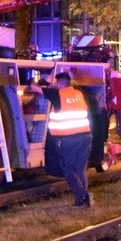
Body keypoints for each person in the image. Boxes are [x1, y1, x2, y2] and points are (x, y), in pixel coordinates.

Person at [30, 71, 94, 207]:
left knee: (69, 170)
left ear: (59, 84)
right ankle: (81, 201)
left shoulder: (58, 95)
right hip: (86, 136)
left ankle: (83, 195)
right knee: (80, 169)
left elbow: (34, 88)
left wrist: (40, 81)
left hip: (69, 138)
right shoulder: (78, 93)